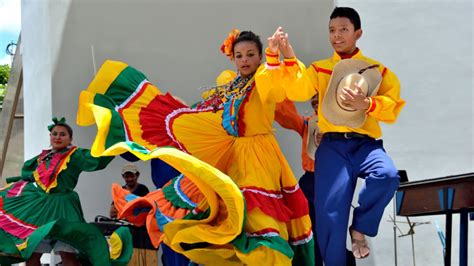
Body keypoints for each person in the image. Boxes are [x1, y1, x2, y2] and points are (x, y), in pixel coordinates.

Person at [76, 27, 316, 265]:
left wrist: (280, 54)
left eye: (251, 54)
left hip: (259, 157)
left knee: (259, 219)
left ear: (260, 56)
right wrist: (183, 113)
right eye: (240, 55)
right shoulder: (232, 87)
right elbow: (209, 112)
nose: (245, 60)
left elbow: (280, 87)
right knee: (226, 216)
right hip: (232, 154)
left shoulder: (264, 76)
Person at [302, 7, 406, 266]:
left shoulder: (378, 70)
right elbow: (296, 87)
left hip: (366, 145)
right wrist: (287, 58)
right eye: (332, 30)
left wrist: (368, 103)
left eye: (343, 30)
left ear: (358, 33)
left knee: (388, 175)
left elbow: (393, 106)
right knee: (330, 219)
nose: (336, 36)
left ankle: (359, 228)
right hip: (332, 146)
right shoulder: (319, 69)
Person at [0, 117, 116, 265]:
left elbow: (97, 160)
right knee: (33, 256)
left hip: (63, 207)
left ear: (70, 139)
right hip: (41, 210)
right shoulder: (43, 157)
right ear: (50, 136)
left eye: (62, 134)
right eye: (54, 134)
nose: (57, 137)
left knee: (67, 256)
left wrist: (111, 137)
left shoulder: (75, 155)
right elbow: (27, 174)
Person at [274, 94, 323, 265]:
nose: (316, 103)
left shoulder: (343, 126)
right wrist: (273, 89)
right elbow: (287, 116)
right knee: (307, 231)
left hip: (332, 182)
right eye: (315, 100)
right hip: (310, 182)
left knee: (331, 234)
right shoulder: (308, 123)